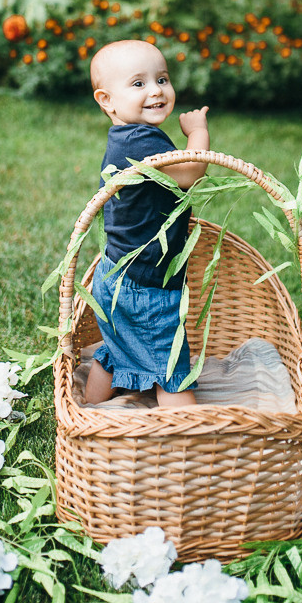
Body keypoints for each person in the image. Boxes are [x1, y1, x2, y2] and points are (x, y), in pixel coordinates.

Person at [84, 39, 210, 408]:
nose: (156, 90)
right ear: (106, 100)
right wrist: (197, 132)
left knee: (119, 347)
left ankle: (89, 413)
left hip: (116, 275)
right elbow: (191, 172)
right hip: (145, 286)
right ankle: (188, 443)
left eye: (162, 79)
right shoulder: (140, 141)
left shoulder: (126, 137)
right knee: (171, 367)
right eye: (138, 84)